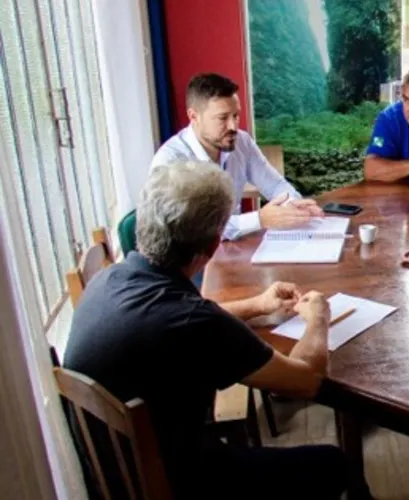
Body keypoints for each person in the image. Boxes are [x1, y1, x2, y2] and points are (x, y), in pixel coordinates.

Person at [63, 161, 347, 498]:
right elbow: (307, 380)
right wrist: (318, 317)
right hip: (181, 484)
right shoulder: (193, 322)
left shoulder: (109, 279)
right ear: (212, 246)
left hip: (115, 478)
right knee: (335, 464)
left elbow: (174, 322)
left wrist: (258, 305)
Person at [150, 73, 322, 241]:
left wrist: (295, 206)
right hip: (190, 259)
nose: (233, 126)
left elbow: (275, 185)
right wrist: (259, 219)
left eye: (236, 115)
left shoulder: (242, 141)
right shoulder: (170, 161)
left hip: (231, 248)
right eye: (222, 118)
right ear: (194, 117)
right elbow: (192, 229)